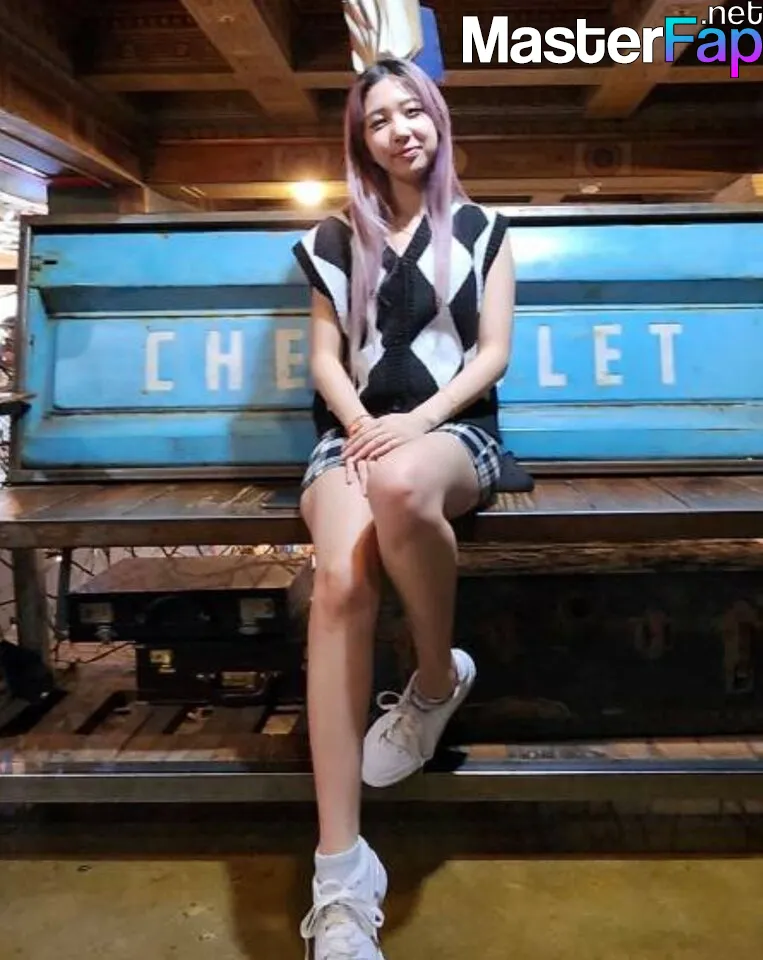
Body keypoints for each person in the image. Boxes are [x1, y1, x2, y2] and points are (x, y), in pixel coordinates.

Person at [292, 56, 515, 960]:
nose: (400, 130)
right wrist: (360, 425)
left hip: (452, 434)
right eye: (379, 120)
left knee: (398, 484)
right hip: (350, 437)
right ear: (362, 141)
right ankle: (341, 876)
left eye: (411, 111)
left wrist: (413, 423)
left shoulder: (482, 229)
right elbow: (323, 359)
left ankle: (432, 682)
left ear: (435, 119)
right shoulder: (333, 237)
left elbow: (491, 354)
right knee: (340, 585)